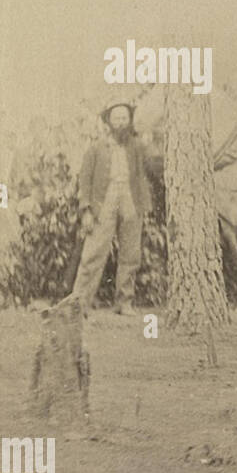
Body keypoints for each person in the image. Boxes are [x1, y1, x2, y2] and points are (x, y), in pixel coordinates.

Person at [70, 102, 160, 315]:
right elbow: (84, 181)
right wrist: (86, 211)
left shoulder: (137, 146)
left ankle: (124, 302)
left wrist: (150, 142)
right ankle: (79, 303)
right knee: (93, 252)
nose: (120, 123)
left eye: (124, 118)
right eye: (116, 118)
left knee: (131, 254)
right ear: (109, 122)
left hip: (131, 200)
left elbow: (152, 169)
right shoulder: (96, 147)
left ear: (130, 122)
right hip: (104, 201)